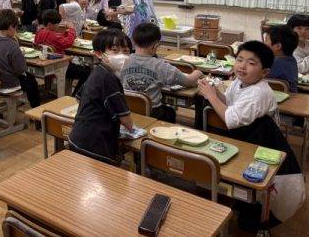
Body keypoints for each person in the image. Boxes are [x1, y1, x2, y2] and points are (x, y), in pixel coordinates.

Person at [68, 29, 134, 165]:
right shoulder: (109, 79)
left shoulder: (97, 71)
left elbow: (78, 98)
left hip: (78, 137)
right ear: (99, 53)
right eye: (115, 51)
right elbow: (128, 123)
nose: (122, 56)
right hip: (96, 145)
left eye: (126, 51)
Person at [120, 23, 202, 122]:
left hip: (127, 111)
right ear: (155, 46)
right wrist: (198, 72)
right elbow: (188, 82)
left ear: (133, 42)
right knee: (170, 112)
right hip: (152, 113)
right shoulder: (161, 66)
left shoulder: (121, 62)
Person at [198, 40, 278, 130]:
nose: (242, 66)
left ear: (265, 72)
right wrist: (214, 91)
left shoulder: (258, 93)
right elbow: (228, 101)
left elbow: (230, 120)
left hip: (255, 137)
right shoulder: (239, 80)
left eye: (251, 63)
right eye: (239, 60)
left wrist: (211, 96)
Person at [0, 9, 41, 107]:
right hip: (7, 84)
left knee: (29, 79)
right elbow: (20, 70)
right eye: (16, 27)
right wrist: (21, 55)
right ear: (10, 27)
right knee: (32, 80)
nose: (16, 30)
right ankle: (36, 109)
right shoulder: (12, 45)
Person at [34, 9, 91, 96]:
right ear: (49, 24)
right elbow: (68, 43)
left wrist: (65, 34)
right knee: (87, 72)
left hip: (46, 63)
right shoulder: (53, 35)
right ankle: (76, 95)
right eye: (56, 24)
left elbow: (55, 40)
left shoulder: (39, 31)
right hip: (59, 66)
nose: (58, 26)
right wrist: (72, 29)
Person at [265, 25, 299, 93]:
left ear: (278, 46)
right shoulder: (291, 60)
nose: (263, 43)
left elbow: (251, 78)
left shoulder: (274, 63)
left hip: (283, 97)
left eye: (266, 40)